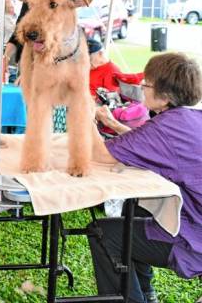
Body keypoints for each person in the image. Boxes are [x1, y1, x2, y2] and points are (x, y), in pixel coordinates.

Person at [90, 53, 202, 303]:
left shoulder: (167, 128)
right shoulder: (189, 119)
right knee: (136, 209)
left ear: (165, 95)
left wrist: (84, 113)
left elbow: (99, 154)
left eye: (146, 84)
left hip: (195, 242)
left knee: (103, 233)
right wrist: (113, 124)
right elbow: (150, 142)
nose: (142, 87)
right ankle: (147, 295)